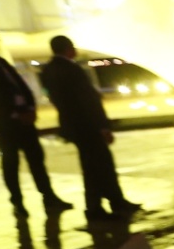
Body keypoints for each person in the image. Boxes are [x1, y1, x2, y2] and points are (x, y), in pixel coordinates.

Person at [0, 22, 69, 216]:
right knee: (11, 162)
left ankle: (48, 196)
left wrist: (29, 108)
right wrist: (15, 112)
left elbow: (18, 86)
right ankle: (18, 202)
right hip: (4, 121)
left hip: (23, 118)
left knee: (36, 159)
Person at [39, 36, 139, 224]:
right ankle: (98, 208)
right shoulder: (72, 69)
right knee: (99, 166)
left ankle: (113, 202)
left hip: (73, 126)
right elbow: (87, 101)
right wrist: (103, 127)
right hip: (88, 126)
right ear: (69, 49)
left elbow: (52, 96)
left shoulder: (48, 70)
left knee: (94, 166)